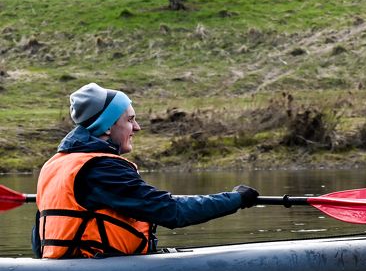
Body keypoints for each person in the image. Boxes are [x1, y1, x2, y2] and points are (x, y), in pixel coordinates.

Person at [32, 83, 259, 258]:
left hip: (64, 268)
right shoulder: (102, 168)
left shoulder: (55, 164)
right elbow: (172, 212)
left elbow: (37, 241)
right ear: (108, 127)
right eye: (130, 120)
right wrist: (236, 199)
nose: (137, 128)